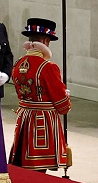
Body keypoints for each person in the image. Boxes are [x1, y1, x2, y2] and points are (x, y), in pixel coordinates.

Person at [7, 16, 72, 172]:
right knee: (39, 168)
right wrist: (66, 96)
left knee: (24, 164)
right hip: (43, 121)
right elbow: (62, 104)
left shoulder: (18, 64)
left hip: (24, 119)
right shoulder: (48, 67)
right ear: (45, 41)